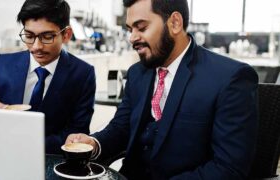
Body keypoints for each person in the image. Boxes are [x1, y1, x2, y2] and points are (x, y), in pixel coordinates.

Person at [65, 0, 258, 179]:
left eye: (141, 27)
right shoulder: (137, 73)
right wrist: (94, 143)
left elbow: (229, 168)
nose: (132, 38)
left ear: (174, 23)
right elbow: (121, 128)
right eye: (130, 29)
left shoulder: (229, 78)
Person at [0, 0, 96, 154]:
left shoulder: (83, 74)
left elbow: (76, 134)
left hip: (50, 160)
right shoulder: (2, 64)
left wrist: (24, 144)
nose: (36, 46)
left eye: (47, 37)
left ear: (66, 35)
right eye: (29, 36)